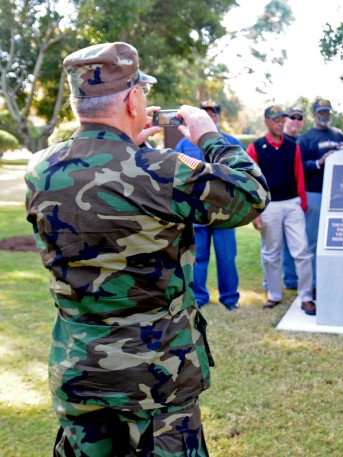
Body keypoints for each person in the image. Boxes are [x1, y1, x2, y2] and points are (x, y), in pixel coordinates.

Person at [24, 42, 269, 456]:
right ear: (134, 98)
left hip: (79, 370)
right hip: (154, 381)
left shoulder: (40, 168)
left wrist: (124, 142)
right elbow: (251, 193)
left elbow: (100, 174)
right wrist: (208, 133)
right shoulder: (160, 170)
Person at [247, 105, 316, 316]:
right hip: (269, 206)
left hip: (292, 203)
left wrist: (302, 203)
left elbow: (299, 176)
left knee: (302, 251)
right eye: (276, 120)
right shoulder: (256, 147)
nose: (280, 123)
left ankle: (306, 296)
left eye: (282, 120)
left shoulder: (292, 146)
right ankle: (274, 295)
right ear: (267, 121)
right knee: (271, 253)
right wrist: (255, 211)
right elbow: (250, 180)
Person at [175, 100, 243, 311]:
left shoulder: (230, 142)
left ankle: (230, 299)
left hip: (224, 212)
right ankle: (199, 298)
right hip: (196, 212)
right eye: (204, 113)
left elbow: (241, 177)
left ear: (217, 117)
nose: (209, 116)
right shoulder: (184, 144)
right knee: (198, 257)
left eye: (212, 114)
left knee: (226, 257)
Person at [298, 99, 343, 290]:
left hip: (338, 195)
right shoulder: (306, 138)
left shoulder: (338, 134)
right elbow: (299, 168)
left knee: (338, 240)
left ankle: (334, 281)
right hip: (315, 194)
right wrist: (320, 162)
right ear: (315, 114)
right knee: (313, 241)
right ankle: (313, 284)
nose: (325, 115)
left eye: (328, 111)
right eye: (322, 112)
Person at [279, 106, 307, 289]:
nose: (296, 121)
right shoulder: (278, 141)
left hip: (295, 199)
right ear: (285, 119)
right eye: (292, 117)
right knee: (276, 246)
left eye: (299, 118)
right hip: (276, 200)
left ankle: (292, 279)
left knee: (296, 243)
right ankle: (282, 280)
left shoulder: (301, 143)